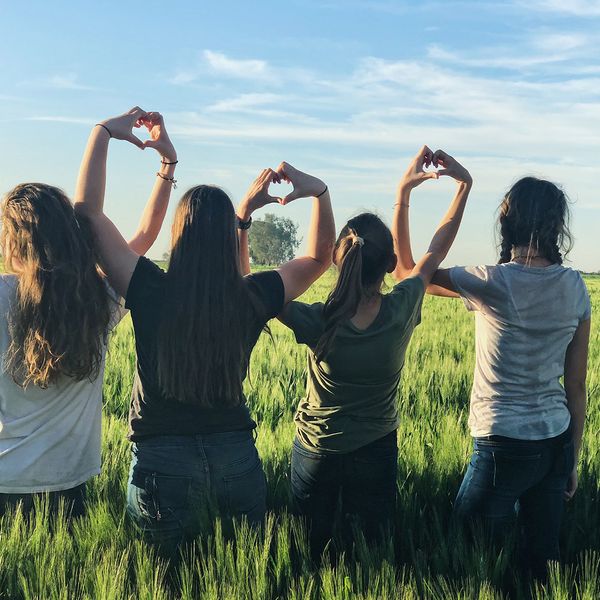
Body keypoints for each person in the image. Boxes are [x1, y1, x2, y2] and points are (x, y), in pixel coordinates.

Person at [74, 108, 336, 559]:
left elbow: (87, 214)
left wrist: (103, 134)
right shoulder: (251, 296)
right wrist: (319, 193)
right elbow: (318, 258)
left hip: (161, 462)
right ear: (225, 237)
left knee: (164, 580)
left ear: (179, 235)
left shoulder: (149, 287)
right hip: (236, 458)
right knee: (242, 576)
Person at [277, 146, 472, 558]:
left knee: (308, 552)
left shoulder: (319, 319)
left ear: (336, 261)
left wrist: (243, 219)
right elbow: (435, 250)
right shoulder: (402, 307)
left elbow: (254, 293)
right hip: (376, 448)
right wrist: (457, 187)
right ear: (389, 265)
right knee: (372, 550)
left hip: (317, 448)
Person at [396, 173, 591, 580]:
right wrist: (571, 455)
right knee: (541, 566)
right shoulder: (575, 286)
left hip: (502, 443)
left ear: (508, 222)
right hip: (555, 440)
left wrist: (405, 193)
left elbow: (407, 275)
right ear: (558, 225)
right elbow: (575, 385)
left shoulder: (492, 281)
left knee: (464, 555)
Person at [0, 112, 177, 519]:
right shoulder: (95, 299)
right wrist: (165, 166)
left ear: (13, 242)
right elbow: (144, 236)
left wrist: (101, 133)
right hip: (69, 483)